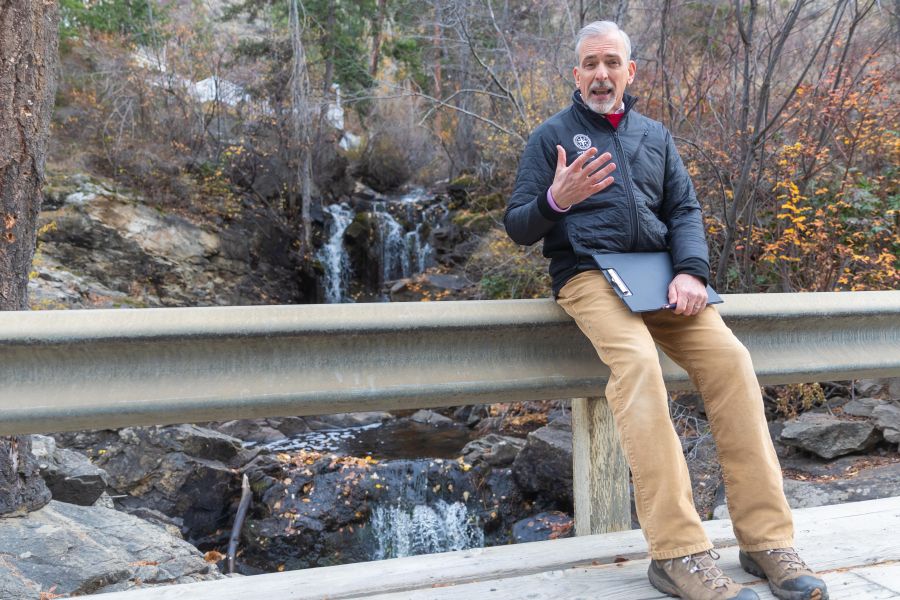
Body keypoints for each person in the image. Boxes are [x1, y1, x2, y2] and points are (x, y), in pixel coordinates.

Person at [504, 20, 829, 600]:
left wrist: (691, 271)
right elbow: (518, 225)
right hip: (588, 274)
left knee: (732, 361)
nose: (601, 73)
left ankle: (766, 540)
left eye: (612, 62)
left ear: (630, 71)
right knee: (638, 364)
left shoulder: (654, 135)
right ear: (576, 73)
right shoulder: (551, 136)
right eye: (590, 63)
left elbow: (684, 209)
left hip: (660, 277)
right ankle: (678, 555)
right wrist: (557, 199)